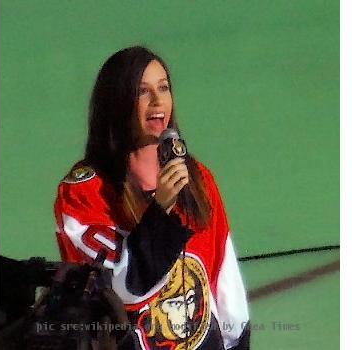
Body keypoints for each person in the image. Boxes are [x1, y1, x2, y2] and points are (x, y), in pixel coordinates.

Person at [54, 46, 250, 350]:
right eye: (142, 92)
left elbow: (224, 277)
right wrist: (160, 211)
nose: (158, 101)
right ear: (117, 102)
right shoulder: (84, 193)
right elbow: (124, 288)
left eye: (163, 88)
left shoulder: (195, 177)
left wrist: (236, 340)